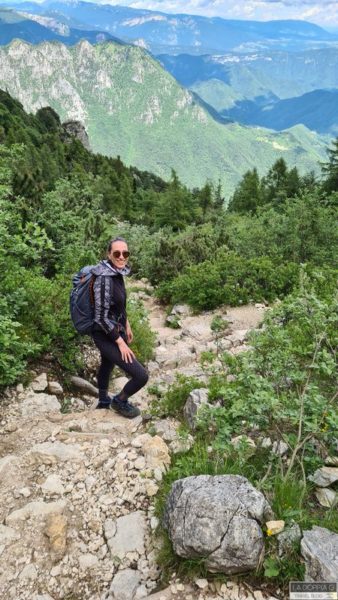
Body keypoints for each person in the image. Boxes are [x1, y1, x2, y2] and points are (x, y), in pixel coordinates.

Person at [91, 237, 149, 418]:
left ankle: (102, 401)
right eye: (117, 253)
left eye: (125, 253)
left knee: (107, 364)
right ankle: (119, 400)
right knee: (141, 376)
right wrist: (120, 343)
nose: (121, 256)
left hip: (116, 328)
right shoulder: (103, 278)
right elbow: (100, 317)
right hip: (103, 333)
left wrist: (127, 323)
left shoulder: (117, 273)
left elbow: (119, 305)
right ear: (109, 254)